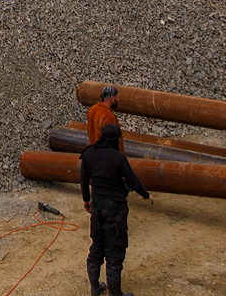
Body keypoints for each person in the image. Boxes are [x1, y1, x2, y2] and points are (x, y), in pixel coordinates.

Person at [81, 123, 154, 296]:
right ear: (116, 139)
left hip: (97, 205)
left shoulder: (89, 153)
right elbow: (132, 179)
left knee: (97, 245)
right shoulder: (118, 158)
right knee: (115, 248)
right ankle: (115, 294)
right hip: (115, 207)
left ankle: (94, 287)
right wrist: (146, 195)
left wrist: (86, 200)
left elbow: (83, 179)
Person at [87, 85, 125, 153]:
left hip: (93, 151)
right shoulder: (109, 116)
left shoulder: (92, 110)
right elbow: (113, 139)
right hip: (106, 154)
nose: (118, 100)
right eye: (117, 97)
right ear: (112, 98)